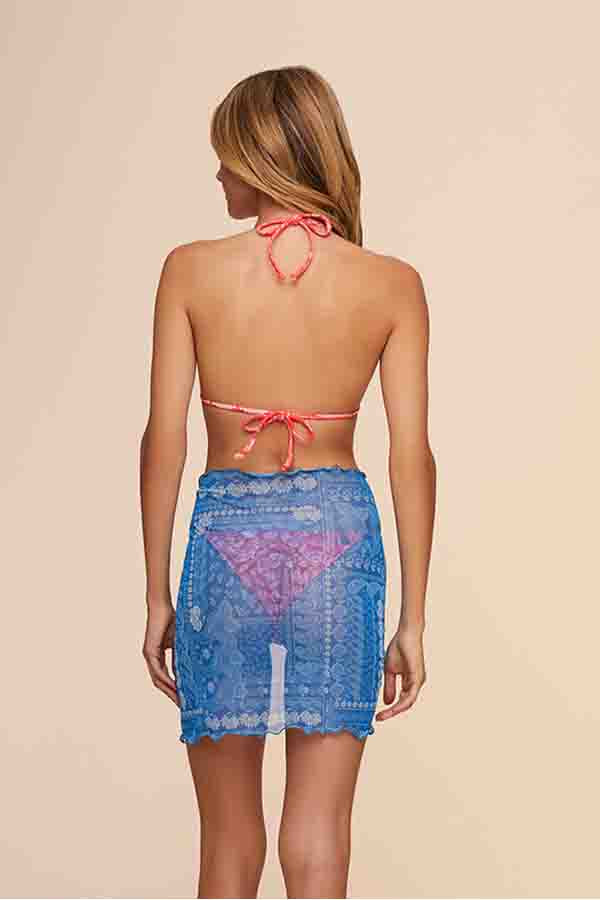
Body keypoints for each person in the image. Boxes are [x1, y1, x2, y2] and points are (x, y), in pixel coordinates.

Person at [140, 65, 436, 900]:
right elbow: (410, 455)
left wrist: (157, 593)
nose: (218, 173)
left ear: (263, 154)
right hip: (338, 543)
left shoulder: (189, 270)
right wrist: (413, 618)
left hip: (223, 539)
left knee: (228, 842)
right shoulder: (392, 284)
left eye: (227, 155)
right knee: (319, 839)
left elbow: (165, 438)